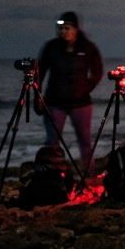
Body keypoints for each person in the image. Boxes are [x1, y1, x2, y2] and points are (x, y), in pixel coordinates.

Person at [37, 11, 103, 175]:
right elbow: (40, 73)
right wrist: (37, 97)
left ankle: (88, 174)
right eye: (60, 28)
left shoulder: (87, 47)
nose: (63, 32)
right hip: (54, 102)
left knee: (85, 141)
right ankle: (52, 175)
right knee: (52, 142)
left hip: (80, 103)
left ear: (75, 29)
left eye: (67, 28)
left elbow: (98, 72)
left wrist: (86, 88)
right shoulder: (51, 47)